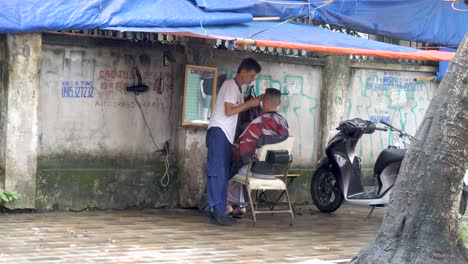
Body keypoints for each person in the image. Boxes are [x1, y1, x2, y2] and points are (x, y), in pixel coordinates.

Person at [205, 58, 262, 226]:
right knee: (217, 172)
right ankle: (216, 210)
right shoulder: (230, 85)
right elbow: (229, 111)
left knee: (222, 174)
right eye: (251, 76)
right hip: (219, 131)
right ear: (242, 72)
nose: (252, 79)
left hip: (225, 135)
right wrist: (249, 104)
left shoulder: (237, 88)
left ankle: (220, 210)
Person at [227, 88, 289, 217]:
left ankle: (228, 205)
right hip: (276, 171)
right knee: (242, 167)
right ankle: (242, 206)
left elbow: (241, 149)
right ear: (280, 102)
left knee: (231, 167)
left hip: (255, 172)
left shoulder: (256, 123)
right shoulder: (284, 123)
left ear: (263, 103)